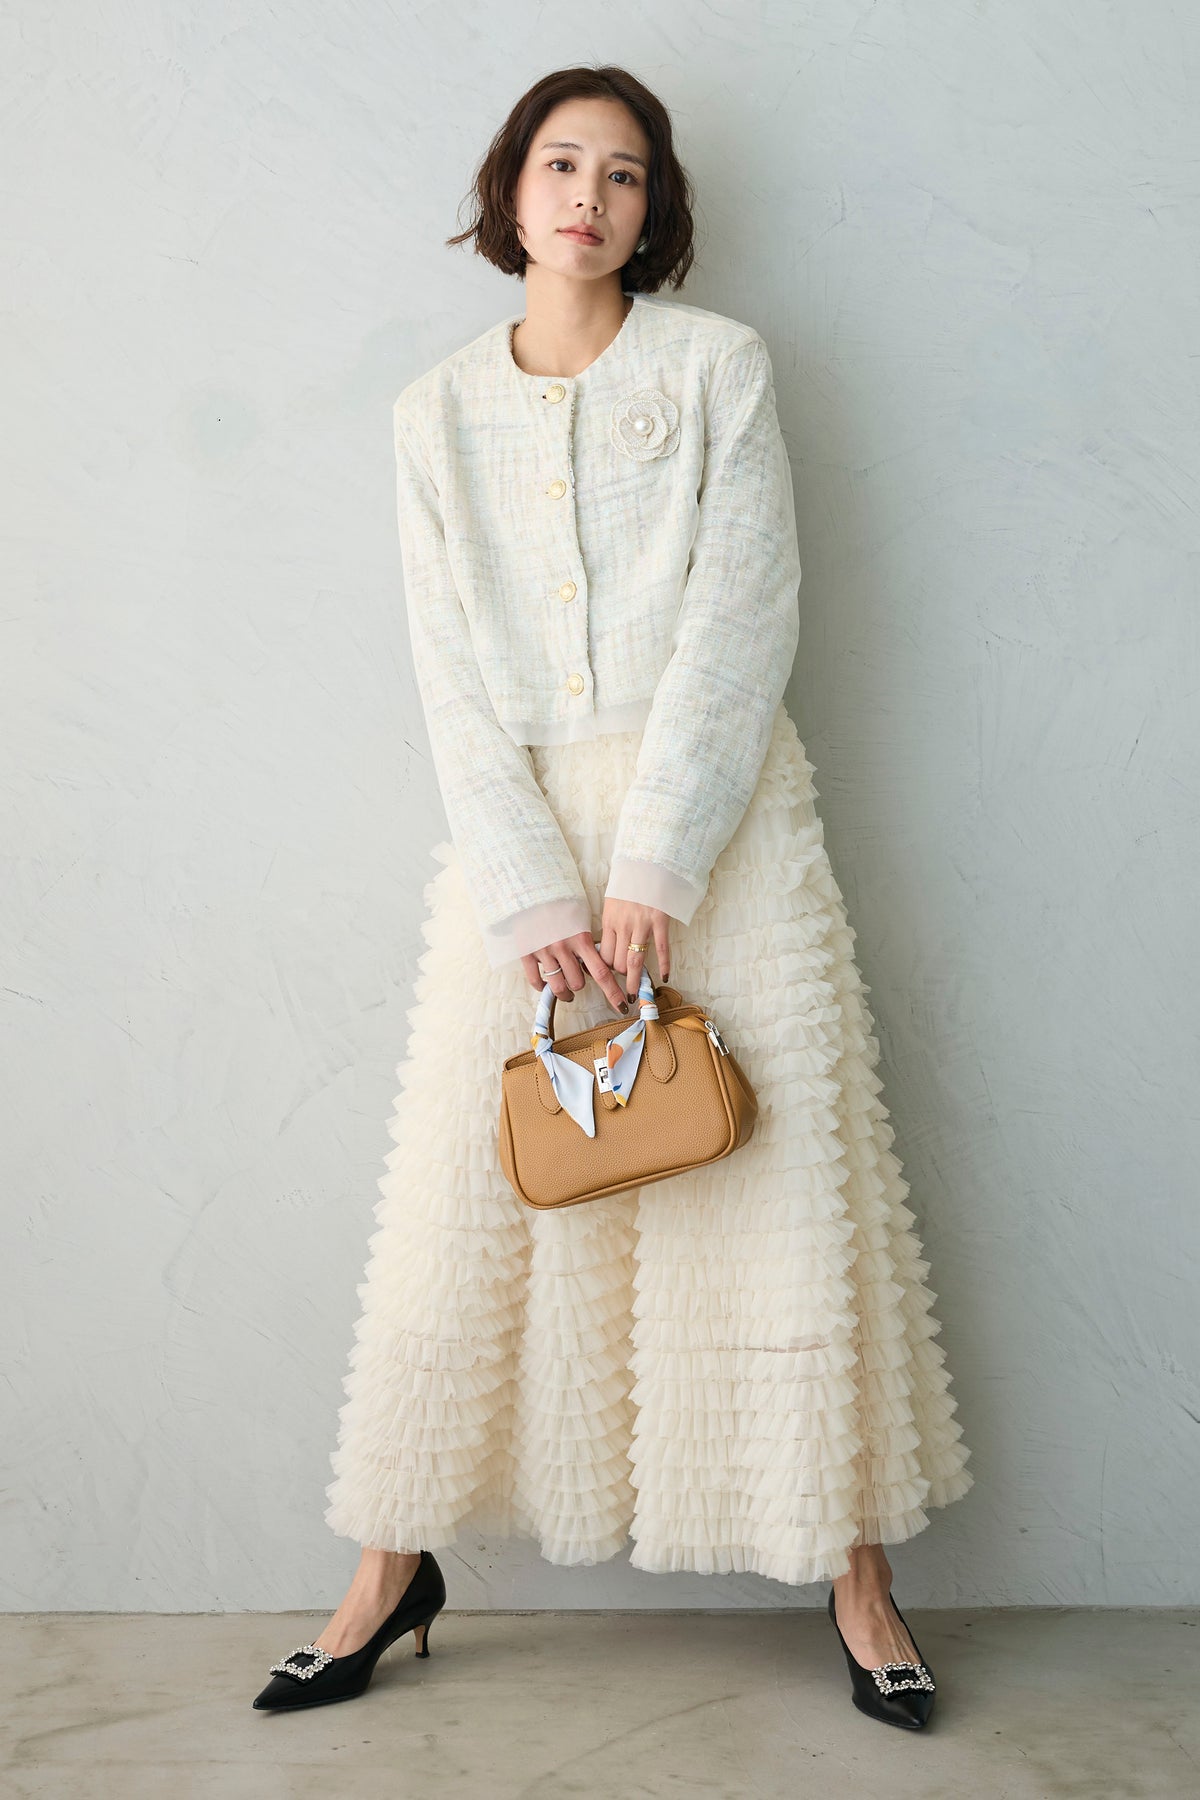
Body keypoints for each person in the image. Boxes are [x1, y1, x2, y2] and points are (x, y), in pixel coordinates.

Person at [253, 64, 973, 1730]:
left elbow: (746, 611)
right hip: (519, 844)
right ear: (511, 189)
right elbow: (446, 673)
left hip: (723, 825)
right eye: (562, 164)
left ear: (656, 211)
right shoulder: (431, 413)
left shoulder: (720, 367)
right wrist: (534, 897)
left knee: (783, 1185)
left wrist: (658, 864)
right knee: (469, 1198)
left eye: (626, 174)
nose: (590, 196)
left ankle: (859, 1581)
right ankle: (386, 1569)